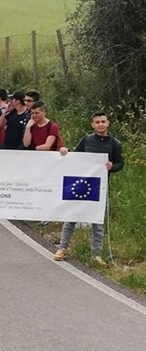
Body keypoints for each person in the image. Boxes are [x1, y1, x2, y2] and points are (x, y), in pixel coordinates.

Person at [54, 112, 125, 265]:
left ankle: (96, 254)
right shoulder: (86, 140)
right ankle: (62, 248)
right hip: (79, 185)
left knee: (97, 221)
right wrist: (65, 152)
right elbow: (75, 156)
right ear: (92, 124)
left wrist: (113, 167)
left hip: (100, 188)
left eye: (103, 121)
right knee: (71, 217)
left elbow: (120, 163)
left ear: (108, 123)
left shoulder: (115, 143)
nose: (100, 124)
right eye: (97, 122)